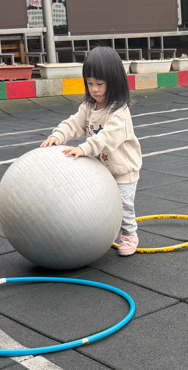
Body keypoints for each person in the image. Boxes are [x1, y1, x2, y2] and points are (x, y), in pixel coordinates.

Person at [40, 47, 143, 256]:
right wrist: (58, 135)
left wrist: (83, 148)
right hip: (101, 170)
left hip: (122, 171)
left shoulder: (120, 113)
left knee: (123, 206)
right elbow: (74, 123)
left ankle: (129, 235)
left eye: (100, 84)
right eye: (89, 83)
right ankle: (101, 233)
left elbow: (106, 138)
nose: (94, 89)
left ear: (114, 82)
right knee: (99, 205)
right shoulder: (89, 106)